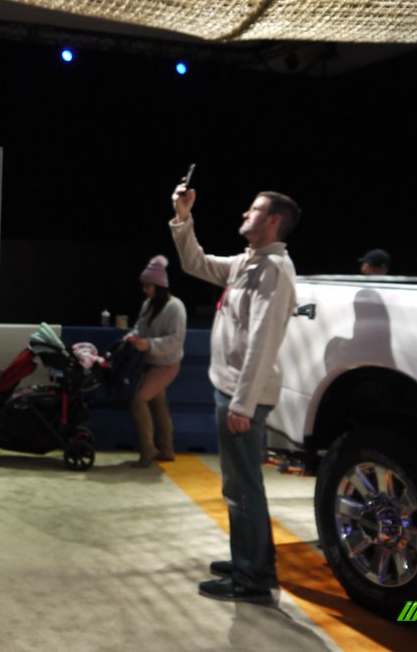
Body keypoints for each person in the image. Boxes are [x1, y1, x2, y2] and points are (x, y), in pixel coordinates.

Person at [169, 182, 299, 606]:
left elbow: (263, 342)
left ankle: (252, 579)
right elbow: (195, 263)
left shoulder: (273, 271)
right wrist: (183, 217)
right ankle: (253, 562)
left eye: (254, 209)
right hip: (230, 389)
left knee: (242, 490)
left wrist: (243, 404)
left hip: (243, 397)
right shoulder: (247, 262)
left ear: (273, 221)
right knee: (240, 486)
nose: (245, 213)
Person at [126, 255, 185, 468]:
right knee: (158, 403)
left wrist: (148, 344)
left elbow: (176, 340)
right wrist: (133, 335)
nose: (145, 290)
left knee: (138, 400)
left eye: (148, 286)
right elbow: (140, 327)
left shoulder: (175, 307)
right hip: (152, 363)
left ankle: (148, 449)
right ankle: (167, 450)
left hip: (167, 365)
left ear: (158, 286)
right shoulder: (149, 305)